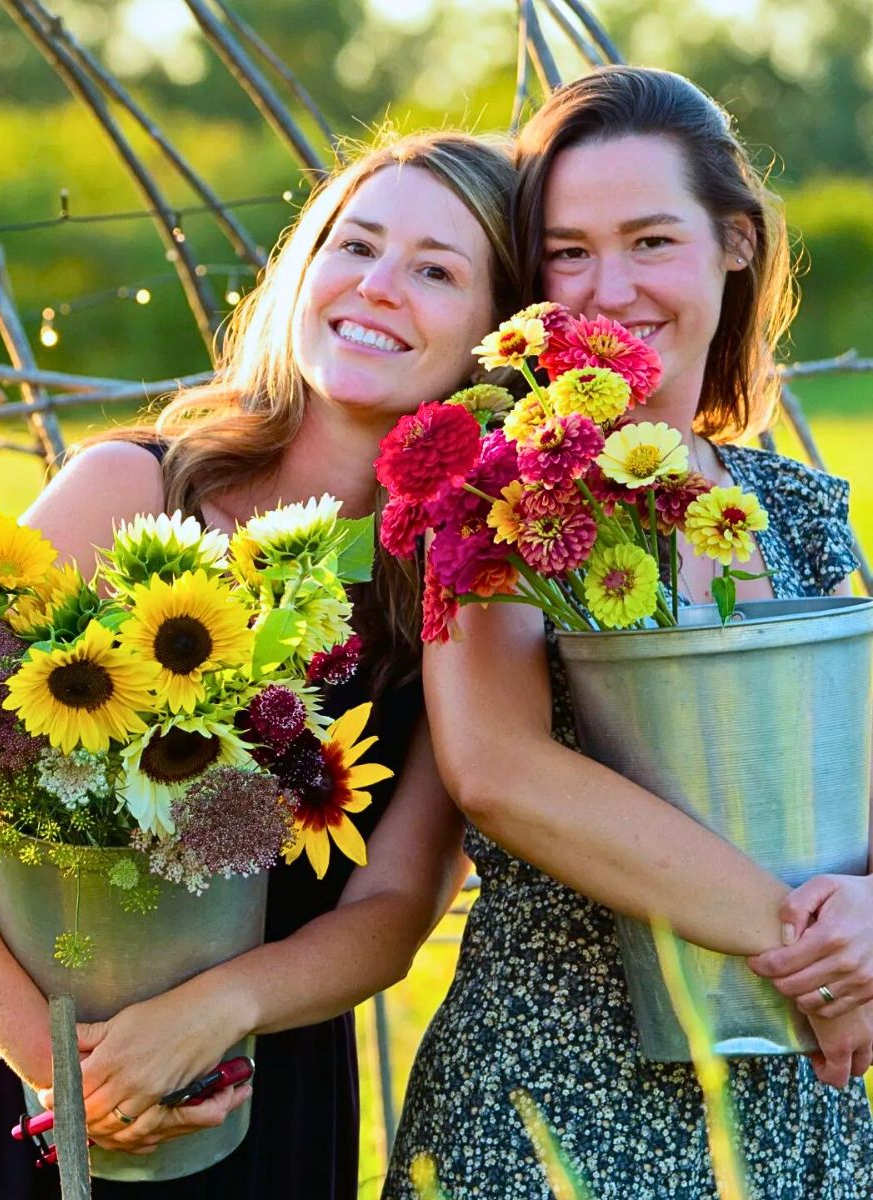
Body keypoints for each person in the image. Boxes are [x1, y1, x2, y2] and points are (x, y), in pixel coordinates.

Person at [0, 128, 519, 1200]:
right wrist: (56, 1068)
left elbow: (392, 905)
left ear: (498, 335)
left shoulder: (451, 596)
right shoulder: (134, 496)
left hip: (248, 1088)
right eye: (355, 244)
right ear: (304, 266)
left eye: (437, 270)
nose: (378, 287)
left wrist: (214, 1013)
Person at [383, 66, 873, 1199]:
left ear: (735, 244)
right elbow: (500, 771)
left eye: (652, 240)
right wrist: (814, 955)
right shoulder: (498, 487)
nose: (610, 289)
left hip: (800, 1102)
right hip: (560, 1095)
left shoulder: (796, 510)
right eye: (568, 252)